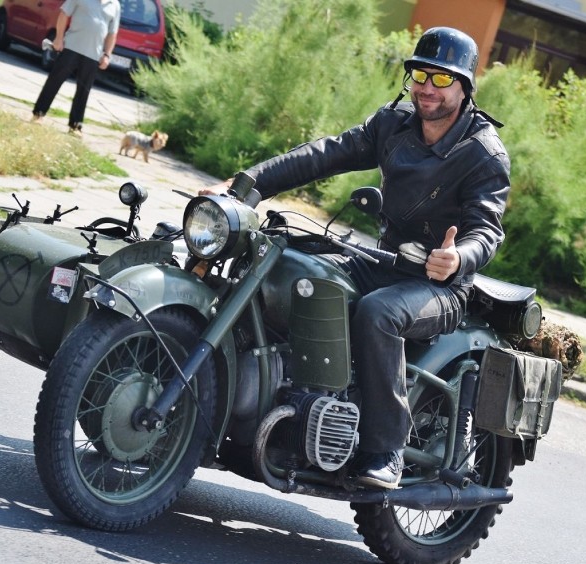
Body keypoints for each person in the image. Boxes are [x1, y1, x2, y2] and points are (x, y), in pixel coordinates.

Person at [201, 27, 511, 489]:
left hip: (441, 285)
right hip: (387, 261)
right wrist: (246, 186)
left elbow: (487, 229)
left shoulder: (483, 153)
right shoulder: (394, 124)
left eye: (443, 79)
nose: (428, 87)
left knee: (378, 313)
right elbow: (326, 154)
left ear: (465, 88)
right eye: (420, 74)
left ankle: (385, 449)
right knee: (298, 269)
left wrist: (458, 257)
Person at [31, 0, 120, 135]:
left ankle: (75, 126)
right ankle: (38, 114)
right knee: (54, 81)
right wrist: (59, 38)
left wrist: (107, 55)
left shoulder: (115, 5)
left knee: (83, 91)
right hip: (71, 47)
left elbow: (112, 33)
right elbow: (63, 14)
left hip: (93, 54)